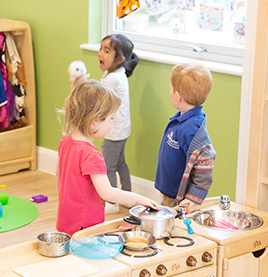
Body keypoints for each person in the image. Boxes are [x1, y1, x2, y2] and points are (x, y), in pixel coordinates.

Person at [56, 80, 160, 236]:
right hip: (86, 226)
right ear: (94, 121)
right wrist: (139, 199)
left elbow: (58, 176)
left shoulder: (65, 142)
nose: (112, 123)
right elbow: (107, 193)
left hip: (66, 220)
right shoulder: (91, 155)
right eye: (111, 119)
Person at [155, 62, 217, 212]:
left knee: (172, 228)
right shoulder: (183, 119)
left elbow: (205, 162)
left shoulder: (192, 129)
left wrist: (193, 197)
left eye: (170, 88)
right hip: (169, 191)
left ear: (178, 96)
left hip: (177, 196)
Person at [98, 34, 138, 213]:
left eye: (107, 51)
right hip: (123, 129)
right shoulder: (118, 72)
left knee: (108, 167)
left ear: (120, 59)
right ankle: (127, 196)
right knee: (121, 163)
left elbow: (98, 97)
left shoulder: (111, 78)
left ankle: (112, 202)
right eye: (101, 49)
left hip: (113, 131)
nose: (100, 53)